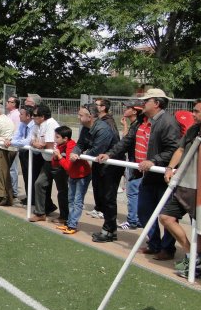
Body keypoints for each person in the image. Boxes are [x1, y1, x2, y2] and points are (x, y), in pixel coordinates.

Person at [97, 89, 180, 254]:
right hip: (146, 175)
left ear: (156, 103)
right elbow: (127, 141)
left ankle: (167, 248)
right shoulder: (142, 120)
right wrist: (110, 153)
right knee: (144, 211)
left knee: (167, 215)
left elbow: (175, 149)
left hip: (163, 176)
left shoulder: (168, 122)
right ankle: (155, 244)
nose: (142, 103)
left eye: (146, 100)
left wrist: (154, 161)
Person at [159, 99, 201, 278]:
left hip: (199, 190)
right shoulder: (192, 130)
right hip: (184, 185)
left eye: (197, 111)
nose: (193, 114)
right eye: (194, 110)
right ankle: (193, 255)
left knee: (198, 230)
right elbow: (180, 150)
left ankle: (195, 263)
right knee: (166, 217)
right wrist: (170, 168)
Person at [72, 104, 124, 242]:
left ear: (90, 117)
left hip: (111, 167)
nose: (78, 117)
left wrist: (80, 155)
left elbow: (96, 150)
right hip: (99, 165)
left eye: (81, 115)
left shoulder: (103, 129)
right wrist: (75, 152)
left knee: (108, 199)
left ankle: (109, 231)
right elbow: (80, 145)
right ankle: (109, 229)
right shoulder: (85, 128)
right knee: (100, 198)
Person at [53, 126, 91, 234]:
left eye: (57, 137)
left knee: (77, 201)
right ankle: (69, 222)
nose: (55, 139)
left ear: (65, 138)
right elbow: (55, 164)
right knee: (71, 200)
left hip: (82, 176)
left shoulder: (71, 146)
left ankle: (72, 225)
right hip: (73, 176)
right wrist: (56, 158)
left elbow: (68, 166)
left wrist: (59, 157)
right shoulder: (60, 146)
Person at [28, 104, 63, 222]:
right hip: (48, 161)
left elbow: (48, 144)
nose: (32, 117)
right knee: (39, 183)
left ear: (42, 117)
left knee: (62, 190)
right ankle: (40, 213)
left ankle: (65, 216)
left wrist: (39, 144)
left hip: (58, 162)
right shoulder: (37, 125)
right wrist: (36, 143)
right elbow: (32, 139)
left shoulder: (51, 124)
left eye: (35, 115)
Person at [117, 99, 145, 230]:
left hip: (135, 163)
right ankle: (137, 219)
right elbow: (127, 138)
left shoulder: (139, 125)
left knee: (133, 192)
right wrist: (125, 125)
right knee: (135, 192)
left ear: (134, 111)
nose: (124, 109)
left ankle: (133, 220)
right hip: (134, 162)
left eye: (127, 107)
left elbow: (126, 142)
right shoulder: (136, 124)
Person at [6, 105, 36, 206]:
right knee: (26, 175)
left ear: (28, 116)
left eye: (21, 114)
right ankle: (29, 197)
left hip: (32, 154)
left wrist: (12, 142)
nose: (19, 116)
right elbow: (16, 136)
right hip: (23, 152)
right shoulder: (22, 124)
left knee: (32, 176)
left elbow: (27, 141)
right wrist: (12, 141)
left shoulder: (34, 125)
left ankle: (33, 199)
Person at [6, 96, 21, 199]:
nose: (6, 103)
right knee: (9, 168)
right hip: (7, 144)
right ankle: (10, 189)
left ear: (14, 104)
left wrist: (12, 141)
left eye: (9, 101)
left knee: (13, 168)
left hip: (13, 145)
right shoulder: (9, 114)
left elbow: (17, 130)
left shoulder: (16, 115)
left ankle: (14, 191)